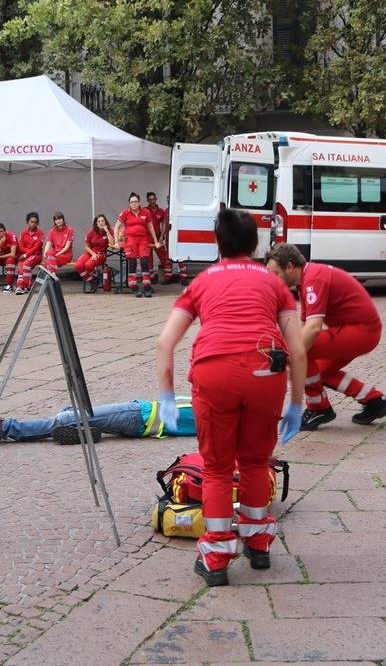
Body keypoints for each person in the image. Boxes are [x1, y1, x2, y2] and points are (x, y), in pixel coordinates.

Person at [157, 210, 306, 587]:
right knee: (256, 461)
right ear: (255, 244)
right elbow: (297, 348)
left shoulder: (202, 281)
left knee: (218, 467)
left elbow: (165, 341)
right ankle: (258, 543)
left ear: (217, 243)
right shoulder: (274, 284)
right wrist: (297, 402)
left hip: (213, 372)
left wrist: (168, 395)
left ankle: (218, 557)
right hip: (265, 372)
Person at [267, 243, 386, 431]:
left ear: (289, 266)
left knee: (303, 353)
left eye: (275, 273)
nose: (272, 279)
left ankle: (318, 407)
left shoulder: (313, 278)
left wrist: (289, 354)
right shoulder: (309, 277)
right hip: (362, 331)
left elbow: (313, 329)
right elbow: (306, 327)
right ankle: (374, 400)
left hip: (361, 331)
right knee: (318, 371)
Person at [0, 395, 196, 444]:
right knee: (71, 411)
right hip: (138, 414)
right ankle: (86, 431)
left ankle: (1, 428)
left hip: (138, 416)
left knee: (65, 418)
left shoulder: (213, 415)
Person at [115, 192, 162, 298]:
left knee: (145, 262)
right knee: (132, 264)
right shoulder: (125, 213)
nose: (134, 204)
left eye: (136, 201)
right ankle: (134, 286)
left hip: (143, 241)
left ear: (139, 202)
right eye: (132, 202)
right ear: (129, 204)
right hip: (130, 242)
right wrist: (117, 241)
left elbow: (151, 228)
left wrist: (155, 241)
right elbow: (116, 227)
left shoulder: (146, 212)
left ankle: (147, 287)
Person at [75, 214, 114, 289]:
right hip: (91, 252)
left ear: (105, 222)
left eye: (102, 221)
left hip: (101, 254)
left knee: (88, 265)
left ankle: (95, 278)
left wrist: (107, 230)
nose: (101, 223)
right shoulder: (92, 231)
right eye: (99, 221)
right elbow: (86, 245)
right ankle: (92, 280)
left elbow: (112, 243)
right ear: (96, 223)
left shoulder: (109, 229)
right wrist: (92, 253)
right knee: (78, 265)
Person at [145, 192, 173, 283]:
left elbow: (164, 224)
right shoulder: (145, 210)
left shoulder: (161, 211)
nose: (152, 201)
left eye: (153, 199)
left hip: (157, 238)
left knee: (163, 256)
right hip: (147, 238)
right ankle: (151, 277)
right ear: (147, 200)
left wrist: (161, 237)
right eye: (150, 199)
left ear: (156, 199)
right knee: (149, 259)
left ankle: (168, 277)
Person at [15, 212, 45, 294]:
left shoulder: (40, 234)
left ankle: (26, 286)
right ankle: (20, 286)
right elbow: (20, 247)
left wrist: (25, 255)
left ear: (38, 223)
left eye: (35, 222)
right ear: (27, 222)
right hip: (27, 255)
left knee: (26, 264)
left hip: (36, 256)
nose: (33, 224)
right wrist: (27, 253)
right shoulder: (23, 233)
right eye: (31, 222)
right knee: (21, 266)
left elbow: (37, 248)